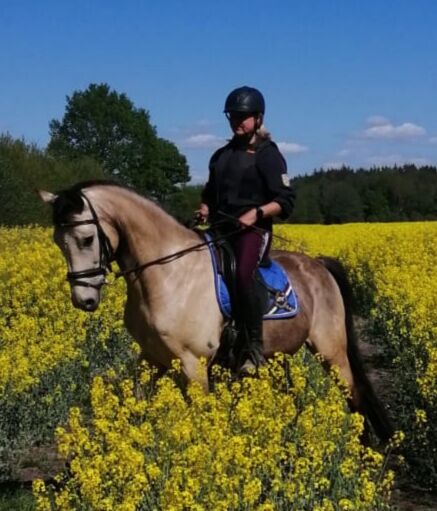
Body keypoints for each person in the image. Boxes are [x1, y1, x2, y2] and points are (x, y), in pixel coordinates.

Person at [198, 86, 295, 373]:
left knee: (242, 273)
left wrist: (257, 213)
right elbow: (210, 192)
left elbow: (285, 199)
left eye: (244, 117)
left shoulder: (267, 155)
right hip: (221, 228)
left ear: (258, 118)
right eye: (233, 116)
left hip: (254, 231)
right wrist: (204, 207)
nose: (238, 122)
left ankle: (253, 348)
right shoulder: (221, 155)